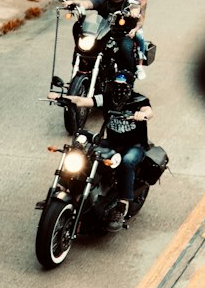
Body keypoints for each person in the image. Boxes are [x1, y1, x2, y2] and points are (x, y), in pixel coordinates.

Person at [53, 81, 154, 232]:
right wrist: (61, 97)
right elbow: (83, 101)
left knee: (126, 162)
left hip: (134, 146)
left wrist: (142, 115)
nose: (118, 88)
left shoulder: (138, 100)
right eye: (116, 84)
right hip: (112, 142)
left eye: (123, 84)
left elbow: (149, 111)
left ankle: (122, 205)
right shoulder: (107, 98)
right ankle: (64, 188)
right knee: (85, 153)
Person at [61, 0, 140, 77]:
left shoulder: (129, 2)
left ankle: (129, 77)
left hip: (122, 34)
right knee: (81, 34)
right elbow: (88, 3)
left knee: (125, 47)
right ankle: (82, 70)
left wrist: (133, 11)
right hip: (103, 33)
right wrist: (73, 3)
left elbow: (136, 7)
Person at [124, 0, 150, 76]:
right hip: (119, 23)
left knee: (139, 36)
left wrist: (135, 29)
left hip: (134, 25)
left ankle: (139, 66)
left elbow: (142, 17)